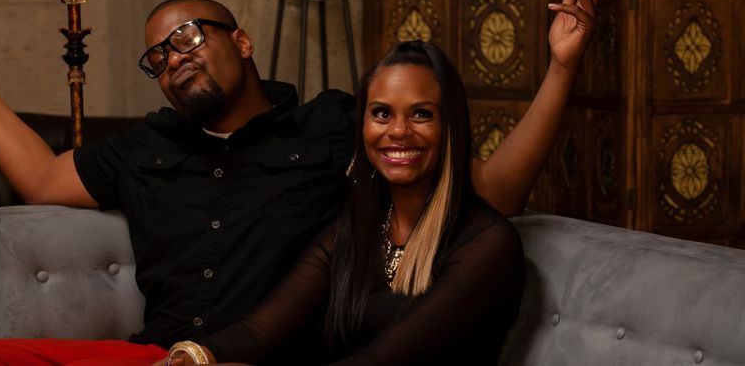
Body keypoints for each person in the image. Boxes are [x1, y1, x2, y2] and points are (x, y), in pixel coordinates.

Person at [0, 0, 606, 364]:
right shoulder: (147, 145)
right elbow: (40, 178)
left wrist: (560, 70)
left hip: (274, 359)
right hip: (169, 356)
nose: (174, 60)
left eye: (186, 38)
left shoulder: (333, 126)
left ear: (242, 40)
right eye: (158, 58)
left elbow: (489, 191)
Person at [157, 40, 526, 366]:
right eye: (381, 113)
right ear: (362, 126)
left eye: (421, 114)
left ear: (450, 127)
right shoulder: (352, 232)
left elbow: (380, 360)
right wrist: (192, 356)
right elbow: (259, 329)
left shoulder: (487, 242)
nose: (398, 131)